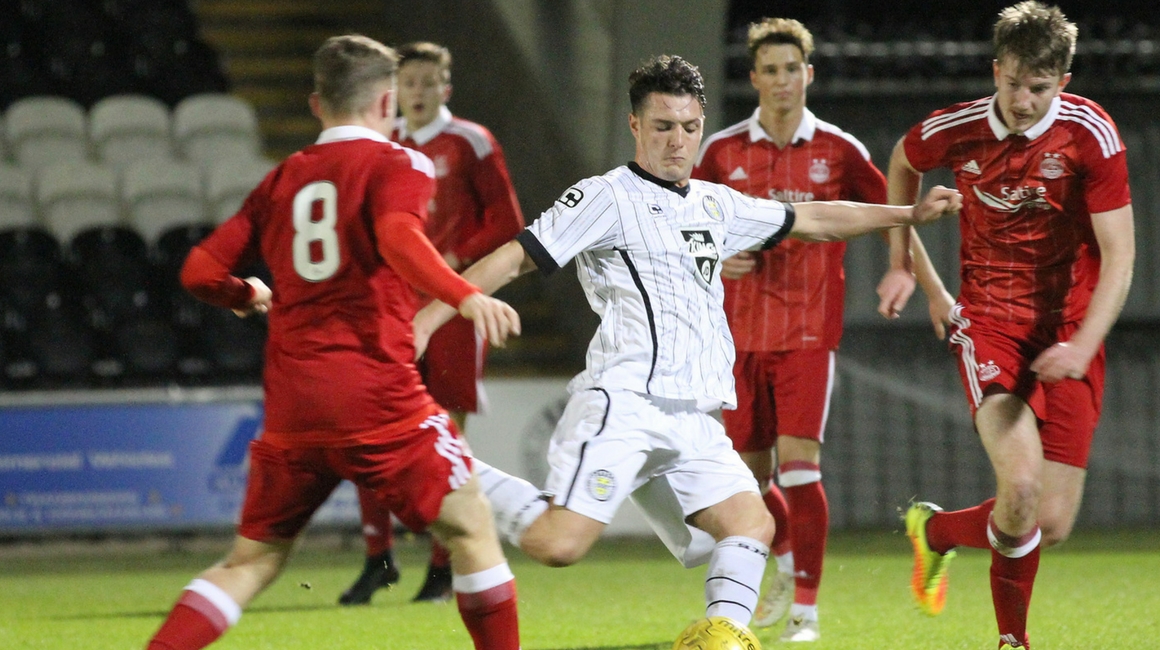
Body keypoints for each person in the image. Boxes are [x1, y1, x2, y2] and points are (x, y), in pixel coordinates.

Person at [410, 54, 961, 629]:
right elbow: (515, 256)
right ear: (635, 127)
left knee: (752, 524)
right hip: (624, 402)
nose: (679, 142)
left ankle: (722, 640)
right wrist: (430, 318)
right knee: (557, 545)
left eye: (690, 127)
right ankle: (444, 463)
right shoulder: (605, 197)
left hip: (694, 415)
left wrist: (908, 213)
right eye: (663, 127)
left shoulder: (714, 204)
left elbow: (816, 218)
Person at [145, 35, 523, 650]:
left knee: (250, 563)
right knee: (473, 528)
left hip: (292, 406)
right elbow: (399, 238)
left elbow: (197, 272)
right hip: (378, 394)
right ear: (387, 103)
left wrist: (245, 294)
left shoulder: (284, 177)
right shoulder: (401, 163)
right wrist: (465, 295)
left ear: (317, 104)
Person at [878, 3, 1135, 649]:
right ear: (996, 69)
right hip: (990, 324)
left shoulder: (1091, 136)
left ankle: (933, 533)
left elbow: (1121, 255)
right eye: (1013, 81)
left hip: (1070, 329)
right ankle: (1012, 641)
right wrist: (904, 264)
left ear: (1064, 82)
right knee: (1018, 486)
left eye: (1039, 87)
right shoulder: (957, 129)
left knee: (1047, 520)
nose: (1022, 100)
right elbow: (902, 162)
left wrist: (1083, 343)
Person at [692, 18, 890, 642]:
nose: (781, 80)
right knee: (745, 484)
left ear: (809, 74)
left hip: (807, 332)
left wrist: (906, 273)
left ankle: (806, 611)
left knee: (800, 470)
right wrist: (717, 257)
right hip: (736, 334)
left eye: (791, 69)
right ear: (754, 78)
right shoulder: (722, 151)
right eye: (769, 70)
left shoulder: (838, 149)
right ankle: (780, 564)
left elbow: (889, 209)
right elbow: (685, 228)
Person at [340, 40, 526, 607]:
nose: (417, 93)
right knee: (367, 430)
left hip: (450, 310)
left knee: (442, 438)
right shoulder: (382, 144)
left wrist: (456, 258)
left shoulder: (470, 140)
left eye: (428, 82)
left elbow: (509, 222)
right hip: (391, 309)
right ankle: (379, 559)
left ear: (446, 88)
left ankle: (445, 569)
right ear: (394, 91)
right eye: (408, 83)